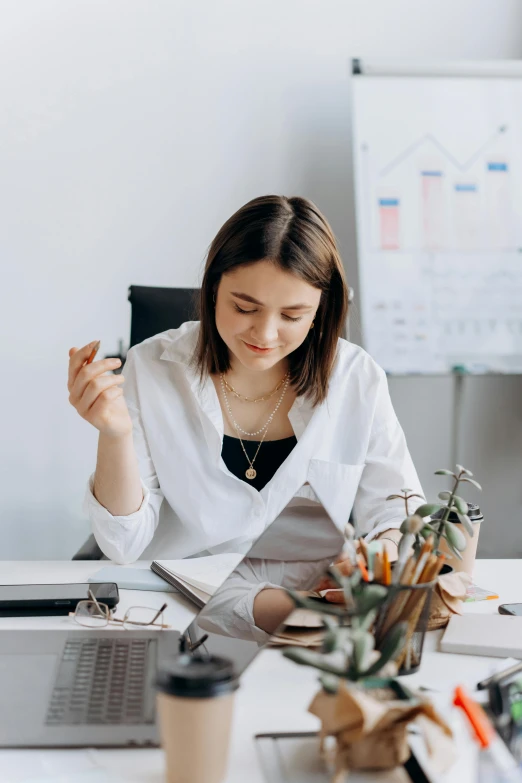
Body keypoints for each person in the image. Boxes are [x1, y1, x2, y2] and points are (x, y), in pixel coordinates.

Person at [68, 195, 423, 639]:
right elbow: (122, 545)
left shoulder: (357, 378)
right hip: (171, 617)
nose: (265, 334)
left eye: (293, 315)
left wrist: (378, 557)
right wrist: (114, 434)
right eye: (245, 308)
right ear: (213, 288)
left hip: (309, 621)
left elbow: (400, 512)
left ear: (319, 313)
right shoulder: (152, 367)